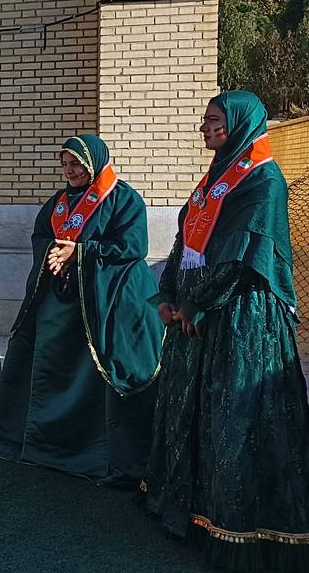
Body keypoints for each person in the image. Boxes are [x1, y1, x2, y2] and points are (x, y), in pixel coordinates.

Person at [145, 91, 309, 571]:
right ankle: (191, 510)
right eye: (204, 120)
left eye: (214, 120)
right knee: (193, 411)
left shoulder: (264, 180)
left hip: (241, 318)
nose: (205, 128)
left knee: (235, 415)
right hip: (196, 314)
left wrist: (196, 302)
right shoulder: (214, 178)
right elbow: (185, 240)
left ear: (238, 123)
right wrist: (169, 293)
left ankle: (237, 525)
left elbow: (240, 256)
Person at [0, 135, 161, 485]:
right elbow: (41, 236)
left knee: (112, 368)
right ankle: (45, 446)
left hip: (106, 303)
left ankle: (99, 454)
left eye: (77, 164)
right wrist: (54, 252)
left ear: (94, 162)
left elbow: (132, 246)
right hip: (61, 305)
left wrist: (79, 252)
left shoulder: (123, 198)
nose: (70, 170)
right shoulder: (57, 203)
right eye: (65, 164)